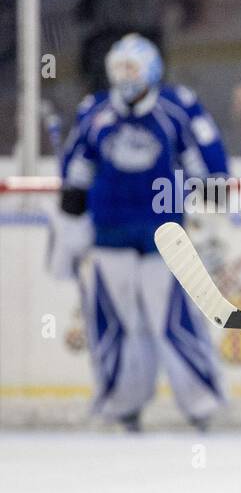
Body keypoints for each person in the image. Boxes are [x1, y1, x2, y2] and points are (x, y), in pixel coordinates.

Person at [54, 33, 229, 431]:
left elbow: (209, 164)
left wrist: (213, 224)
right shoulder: (95, 112)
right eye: (119, 68)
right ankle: (121, 402)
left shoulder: (176, 108)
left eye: (132, 67)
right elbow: (75, 170)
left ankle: (200, 402)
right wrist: (71, 224)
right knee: (116, 322)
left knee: (174, 320)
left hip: (166, 237)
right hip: (110, 233)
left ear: (151, 70)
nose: (125, 76)